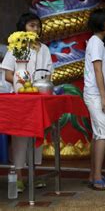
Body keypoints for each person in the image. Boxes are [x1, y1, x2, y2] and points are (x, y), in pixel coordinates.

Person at [1, 13, 53, 192]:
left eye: (38, 26)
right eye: (32, 25)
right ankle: (19, 177)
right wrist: (21, 83)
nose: (36, 29)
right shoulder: (16, 46)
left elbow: (48, 74)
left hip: (39, 99)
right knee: (20, 137)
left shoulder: (44, 49)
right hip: (20, 99)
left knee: (36, 136)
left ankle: (33, 176)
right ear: (23, 27)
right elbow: (7, 74)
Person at [84, 8, 105, 190]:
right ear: (100, 24)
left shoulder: (97, 43)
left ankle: (94, 174)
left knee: (98, 134)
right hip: (97, 95)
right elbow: (98, 71)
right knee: (103, 134)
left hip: (98, 94)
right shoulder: (96, 43)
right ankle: (96, 176)